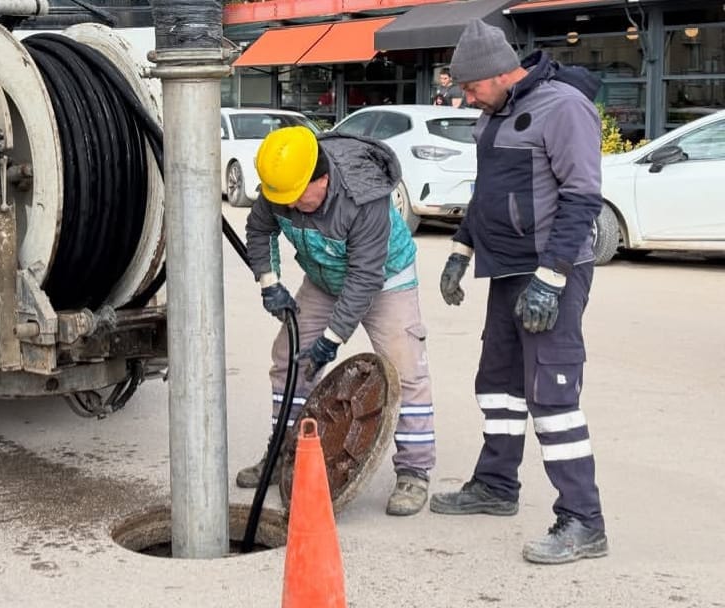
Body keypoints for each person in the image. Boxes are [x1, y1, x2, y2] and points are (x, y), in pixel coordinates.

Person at [428, 19, 608, 565]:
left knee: (551, 394)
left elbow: (582, 197)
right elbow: (486, 192)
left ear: (500, 72)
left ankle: (583, 520)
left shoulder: (565, 108)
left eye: (471, 87)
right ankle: (496, 485)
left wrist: (551, 280)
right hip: (506, 270)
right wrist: (461, 250)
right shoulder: (494, 112)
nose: (467, 97)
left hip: (553, 272)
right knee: (499, 385)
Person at [237, 126, 436, 516]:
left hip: (384, 278)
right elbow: (259, 230)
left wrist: (331, 339)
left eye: (298, 198)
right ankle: (284, 453)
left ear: (322, 179)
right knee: (289, 360)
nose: (290, 206)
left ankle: (414, 471)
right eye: (283, 200)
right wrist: (269, 282)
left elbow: (365, 277)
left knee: (405, 370)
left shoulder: (364, 198)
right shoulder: (284, 186)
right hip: (324, 277)